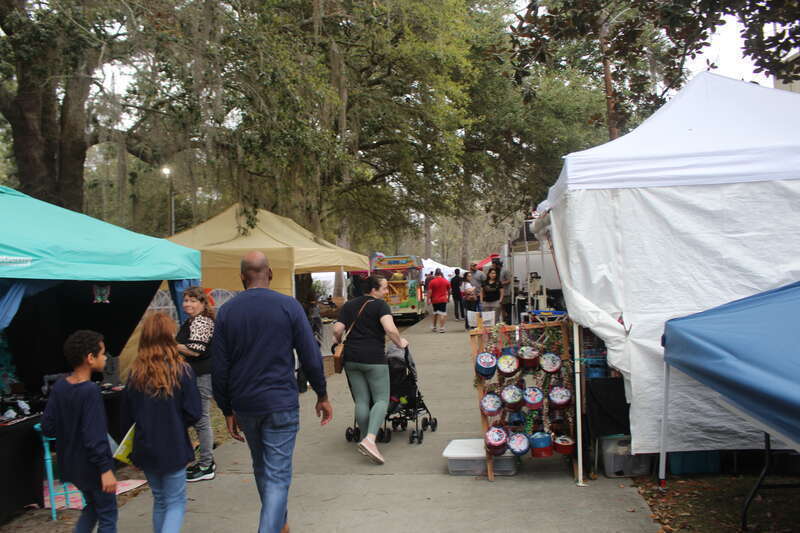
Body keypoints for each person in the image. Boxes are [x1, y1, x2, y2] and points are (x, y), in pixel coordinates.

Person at [212, 251, 332, 533]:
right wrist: (322, 394)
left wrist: (227, 408)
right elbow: (310, 355)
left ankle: (281, 524)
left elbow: (219, 367)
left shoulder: (227, 312)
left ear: (242, 277)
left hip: (246, 404)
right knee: (277, 475)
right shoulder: (289, 306)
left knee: (262, 468)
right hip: (280, 402)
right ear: (270, 274)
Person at [123, 313, 201, 533]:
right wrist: (177, 423)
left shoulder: (135, 374)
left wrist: (132, 451)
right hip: (174, 444)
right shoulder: (182, 371)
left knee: (160, 500)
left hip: (145, 446)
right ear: (170, 336)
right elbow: (194, 412)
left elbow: (126, 417)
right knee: (175, 502)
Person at [42, 330, 118, 533]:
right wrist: (105, 469)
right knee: (107, 513)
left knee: (93, 506)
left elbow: (48, 426)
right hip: (93, 466)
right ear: (90, 358)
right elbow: (95, 435)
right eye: (102, 353)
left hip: (71, 464)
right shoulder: (90, 391)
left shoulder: (60, 386)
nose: (105, 357)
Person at [333, 275, 408, 465]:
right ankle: (370, 439)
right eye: (384, 288)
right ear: (374, 290)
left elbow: (337, 330)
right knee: (382, 399)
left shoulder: (349, 305)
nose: (386, 292)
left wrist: (339, 341)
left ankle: (365, 438)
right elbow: (390, 329)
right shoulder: (380, 305)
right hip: (374, 358)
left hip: (351, 358)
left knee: (361, 400)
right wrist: (400, 343)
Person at [175, 286, 216, 482]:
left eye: (192, 300)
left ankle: (206, 465)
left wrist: (170, 345)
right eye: (185, 300)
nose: (187, 304)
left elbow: (196, 350)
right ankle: (202, 460)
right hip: (193, 375)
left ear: (202, 303)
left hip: (202, 375)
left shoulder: (202, 321)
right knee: (195, 416)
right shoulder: (191, 321)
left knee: (201, 419)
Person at [426, 269, 451, 333]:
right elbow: (449, 291)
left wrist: (428, 300)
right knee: (442, 314)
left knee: (435, 313)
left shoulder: (432, 282)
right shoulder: (446, 281)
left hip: (434, 300)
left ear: (435, 274)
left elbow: (430, 292)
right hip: (443, 300)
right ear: (441, 274)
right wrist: (448, 298)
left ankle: (434, 327)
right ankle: (442, 328)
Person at [492, 258, 513, 324]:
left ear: (497, 264)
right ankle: (503, 322)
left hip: (506, 293)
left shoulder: (505, 271)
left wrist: (500, 283)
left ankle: (508, 323)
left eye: (493, 264)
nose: (492, 266)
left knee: (507, 309)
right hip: (498, 294)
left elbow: (509, 280)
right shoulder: (495, 271)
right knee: (501, 308)